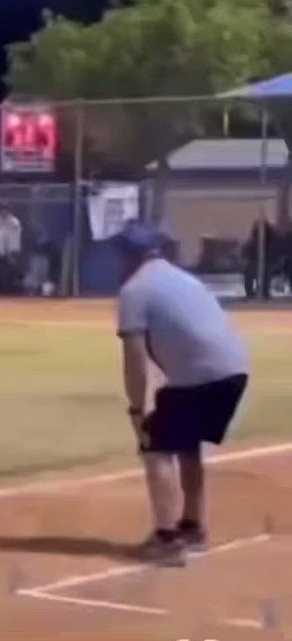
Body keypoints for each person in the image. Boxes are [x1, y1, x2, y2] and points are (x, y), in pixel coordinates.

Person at [115, 223, 248, 566]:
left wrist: (136, 410)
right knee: (187, 446)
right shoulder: (185, 278)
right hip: (233, 372)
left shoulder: (134, 291)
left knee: (156, 448)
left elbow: (135, 359)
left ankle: (167, 538)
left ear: (131, 256)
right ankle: (193, 527)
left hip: (198, 377)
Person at [0, 204, 22, 293]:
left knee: (10, 269)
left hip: (10, 250)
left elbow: (15, 237)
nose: (4, 213)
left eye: (6, 211)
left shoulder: (14, 222)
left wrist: (13, 250)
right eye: (2, 211)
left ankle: (9, 287)